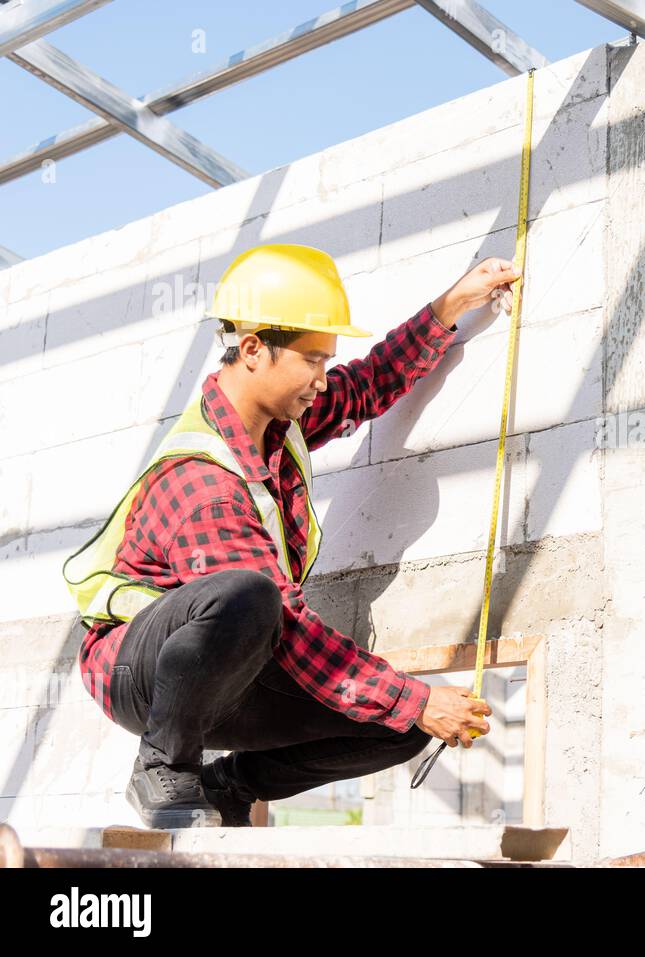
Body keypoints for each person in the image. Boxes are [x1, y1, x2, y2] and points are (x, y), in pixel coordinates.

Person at [62, 243, 517, 828]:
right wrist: (421, 697)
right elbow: (289, 625)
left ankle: (230, 784)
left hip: (230, 666)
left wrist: (451, 305)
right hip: (139, 671)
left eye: (325, 361)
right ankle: (163, 765)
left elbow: (369, 384)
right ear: (253, 350)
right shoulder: (204, 482)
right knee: (249, 595)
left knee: (397, 725)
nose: (321, 379)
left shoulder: (280, 426)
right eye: (312, 360)